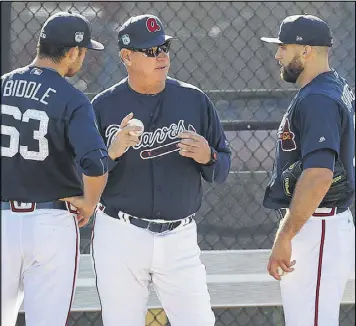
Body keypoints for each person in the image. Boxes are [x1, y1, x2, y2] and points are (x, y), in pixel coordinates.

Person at [91, 14, 231, 326]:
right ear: (127, 57)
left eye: (164, 47)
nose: (162, 56)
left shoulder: (195, 101)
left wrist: (209, 156)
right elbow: (82, 176)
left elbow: (222, 168)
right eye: (151, 51)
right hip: (120, 234)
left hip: (179, 238)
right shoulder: (102, 107)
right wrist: (111, 152)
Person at [1, 12, 108, 326]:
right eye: (83, 51)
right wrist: (89, 202)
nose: (83, 58)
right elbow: (95, 161)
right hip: (50, 223)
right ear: (73, 52)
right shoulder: (71, 98)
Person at [261, 14, 355, 326]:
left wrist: (286, 235)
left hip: (317, 226)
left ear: (305, 51)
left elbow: (319, 175)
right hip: (320, 223)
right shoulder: (332, 86)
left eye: (283, 47)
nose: (277, 55)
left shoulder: (318, 98)